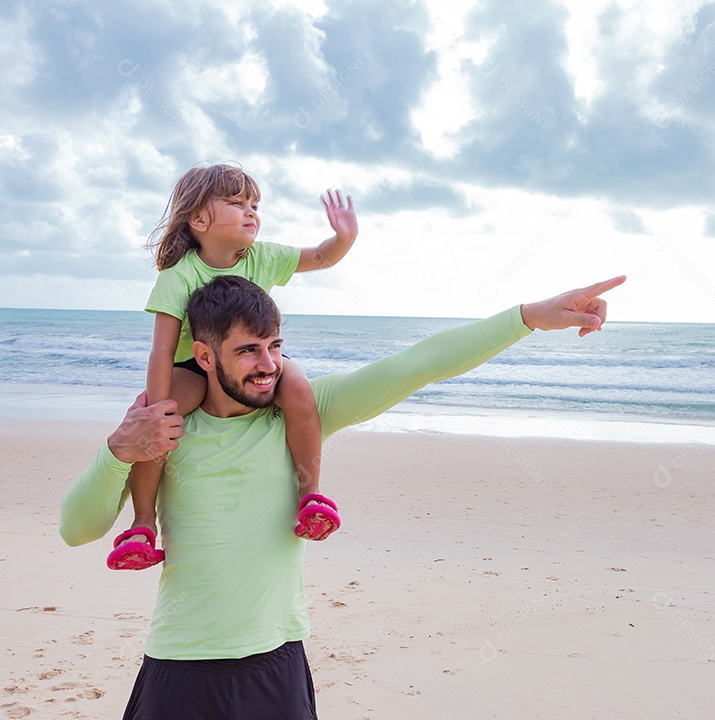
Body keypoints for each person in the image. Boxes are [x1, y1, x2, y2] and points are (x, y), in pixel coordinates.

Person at [60, 273, 626, 719]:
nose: (268, 366)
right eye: (248, 351)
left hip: (276, 665)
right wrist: (117, 450)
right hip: (180, 667)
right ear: (205, 357)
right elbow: (76, 529)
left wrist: (527, 317)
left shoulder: (298, 416)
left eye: (276, 347)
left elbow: (415, 365)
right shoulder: (164, 429)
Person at [108, 164, 358, 571]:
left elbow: (320, 257)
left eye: (254, 204)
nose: (251, 212)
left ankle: (311, 495)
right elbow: (162, 350)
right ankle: (140, 526)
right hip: (193, 366)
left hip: (250, 357)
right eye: (237, 203)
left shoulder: (264, 256)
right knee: (154, 415)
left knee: (297, 387)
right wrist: (156, 408)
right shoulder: (180, 274)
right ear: (200, 219)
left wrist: (343, 237)